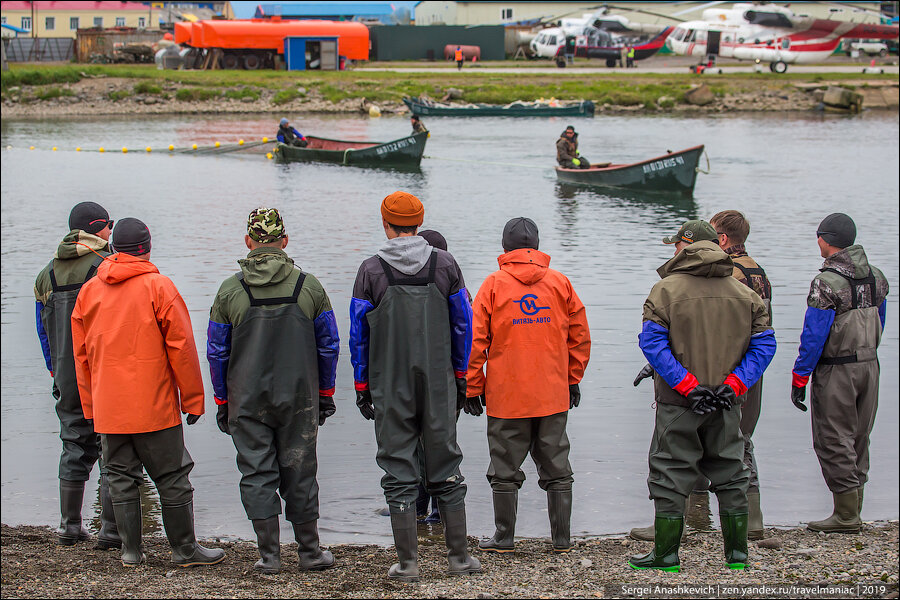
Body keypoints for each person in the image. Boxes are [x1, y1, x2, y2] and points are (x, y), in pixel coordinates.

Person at [71, 218, 225, 569]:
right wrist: (193, 399)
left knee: (122, 477)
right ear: (147, 247)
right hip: (153, 405)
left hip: (110, 408)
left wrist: (91, 406)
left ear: (113, 249)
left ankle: (131, 551)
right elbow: (181, 348)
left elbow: (81, 358)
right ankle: (184, 549)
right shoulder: (159, 286)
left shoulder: (89, 291)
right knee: (172, 476)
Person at [630, 220, 775, 573]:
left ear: (685, 247)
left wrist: (687, 385)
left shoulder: (665, 290)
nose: (672, 250)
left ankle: (666, 556)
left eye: (674, 244)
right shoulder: (746, 294)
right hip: (726, 401)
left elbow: (652, 343)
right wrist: (735, 385)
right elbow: (765, 345)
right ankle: (737, 556)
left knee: (669, 471)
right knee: (731, 471)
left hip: (680, 403)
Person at [349, 191, 480, 582]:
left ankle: (408, 564)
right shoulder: (446, 264)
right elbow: (463, 326)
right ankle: (458, 559)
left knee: (397, 466)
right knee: (446, 461)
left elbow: (359, 335)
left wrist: (361, 385)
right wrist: (462, 377)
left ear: (385, 223)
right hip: (439, 381)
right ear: (419, 224)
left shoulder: (370, 270)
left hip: (389, 384)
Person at [207, 208, 339, 574]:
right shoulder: (308, 285)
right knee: (299, 469)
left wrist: (222, 399)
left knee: (256, 472)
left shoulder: (230, 289)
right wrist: (326, 393)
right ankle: (310, 552)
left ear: (248, 241)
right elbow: (328, 344)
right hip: (299, 399)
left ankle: (269, 556)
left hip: (247, 399)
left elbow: (217, 350)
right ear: (284, 241)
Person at [466, 217, 591, 554]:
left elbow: (476, 342)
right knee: (557, 464)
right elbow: (579, 336)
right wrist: (572, 379)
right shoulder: (560, 282)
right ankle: (562, 539)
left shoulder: (493, 284)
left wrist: (473, 387)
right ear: (535, 245)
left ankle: (504, 537)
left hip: (507, 397)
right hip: (552, 393)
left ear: (505, 247)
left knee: (504, 467)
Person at [791, 213, 888, 533]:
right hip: (870, 364)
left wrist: (800, 375)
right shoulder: (877, 276)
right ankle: (854, 507)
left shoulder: (826, 282)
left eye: (818, 236)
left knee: (833, 438)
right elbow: (880, 320)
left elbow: (814, 335)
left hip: (837, 369)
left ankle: (845, 515)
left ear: (826, 240)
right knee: (860, 436)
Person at [34, 201, 120, 550]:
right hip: (101, 372)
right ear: (97, 227)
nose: (112, 231)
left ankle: (70, 526)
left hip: (65, 374)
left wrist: (55, 370)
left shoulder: (46, 274)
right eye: (109, 224)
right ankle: (111, 531)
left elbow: (42, 331)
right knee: (113, 447)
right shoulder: (106, 267)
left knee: (73, 443)